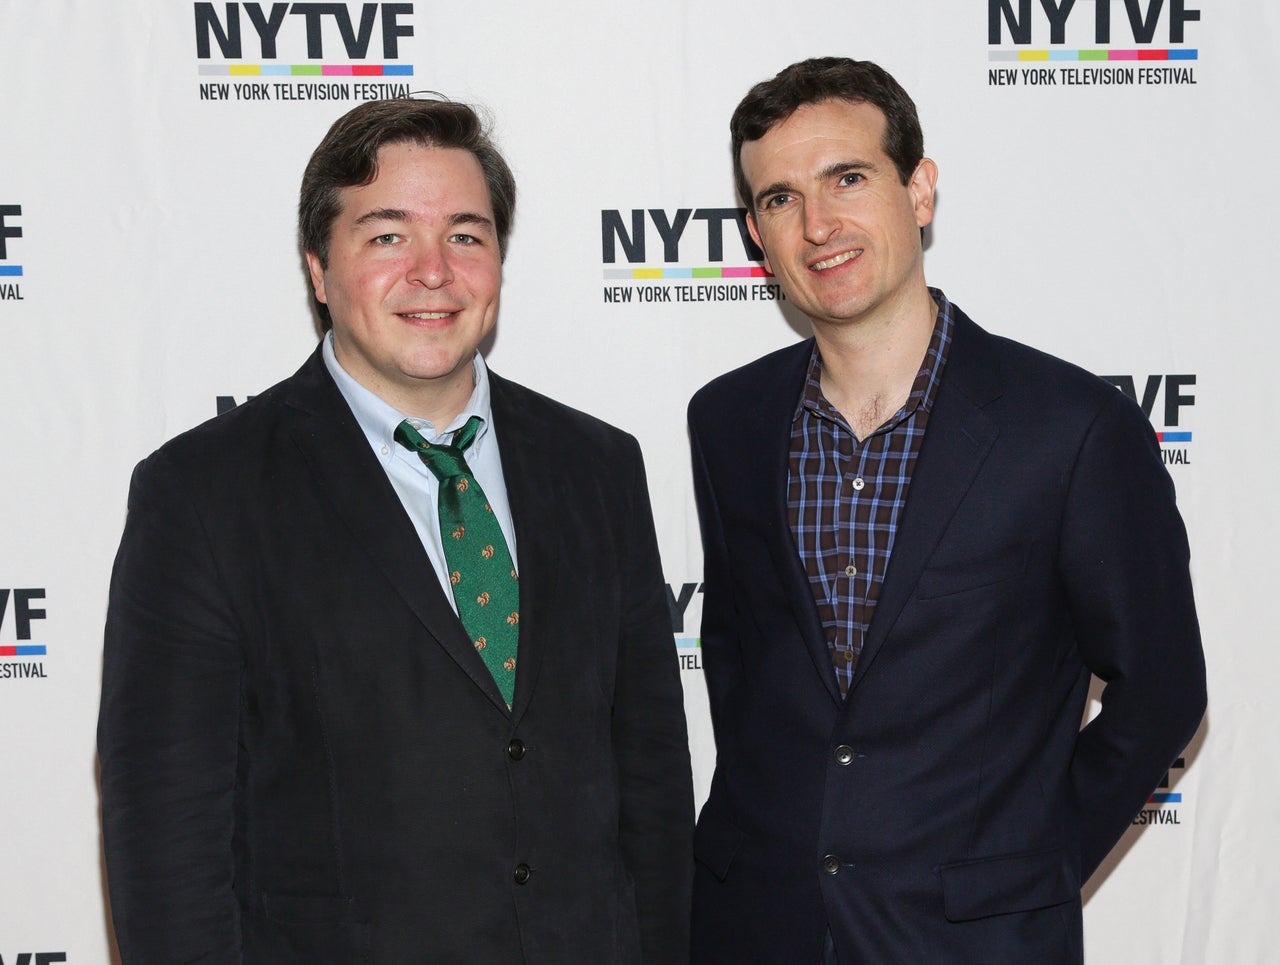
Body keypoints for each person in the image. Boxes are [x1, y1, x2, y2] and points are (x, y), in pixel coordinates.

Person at [98, 97, 693, 964]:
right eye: (386, 236)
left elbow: (653, 790)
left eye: (465, 234)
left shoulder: (598, 466)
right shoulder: (201, 494)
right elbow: (166, 843)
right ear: (317, 268)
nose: (432, 271)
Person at [686, 57, 1205, 964]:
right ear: (756, 234)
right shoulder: (727, 420)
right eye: (779, 198)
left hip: (974, 940)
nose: (817, 225)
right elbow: (739, 661)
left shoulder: (1073, 428)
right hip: (754, 927)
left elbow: (1161, 690)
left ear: (918, 191)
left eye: (847, 178)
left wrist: (1026, 870)